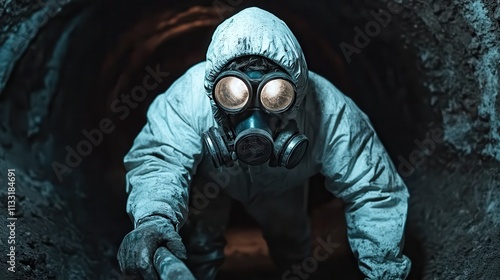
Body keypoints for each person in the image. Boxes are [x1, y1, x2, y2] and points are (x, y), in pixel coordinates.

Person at [117, 7, 411, 280]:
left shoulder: (328, 110)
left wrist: (384, 272)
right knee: (198, 246)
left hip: (283, 179)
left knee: (293, 246)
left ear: (296, 91)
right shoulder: (189, 98)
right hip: (212, 175)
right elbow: (161, 158)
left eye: (277, 97)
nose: (254, 114)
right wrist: (155, 218)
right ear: (213, 91)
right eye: (233, 95)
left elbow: (373, 190)